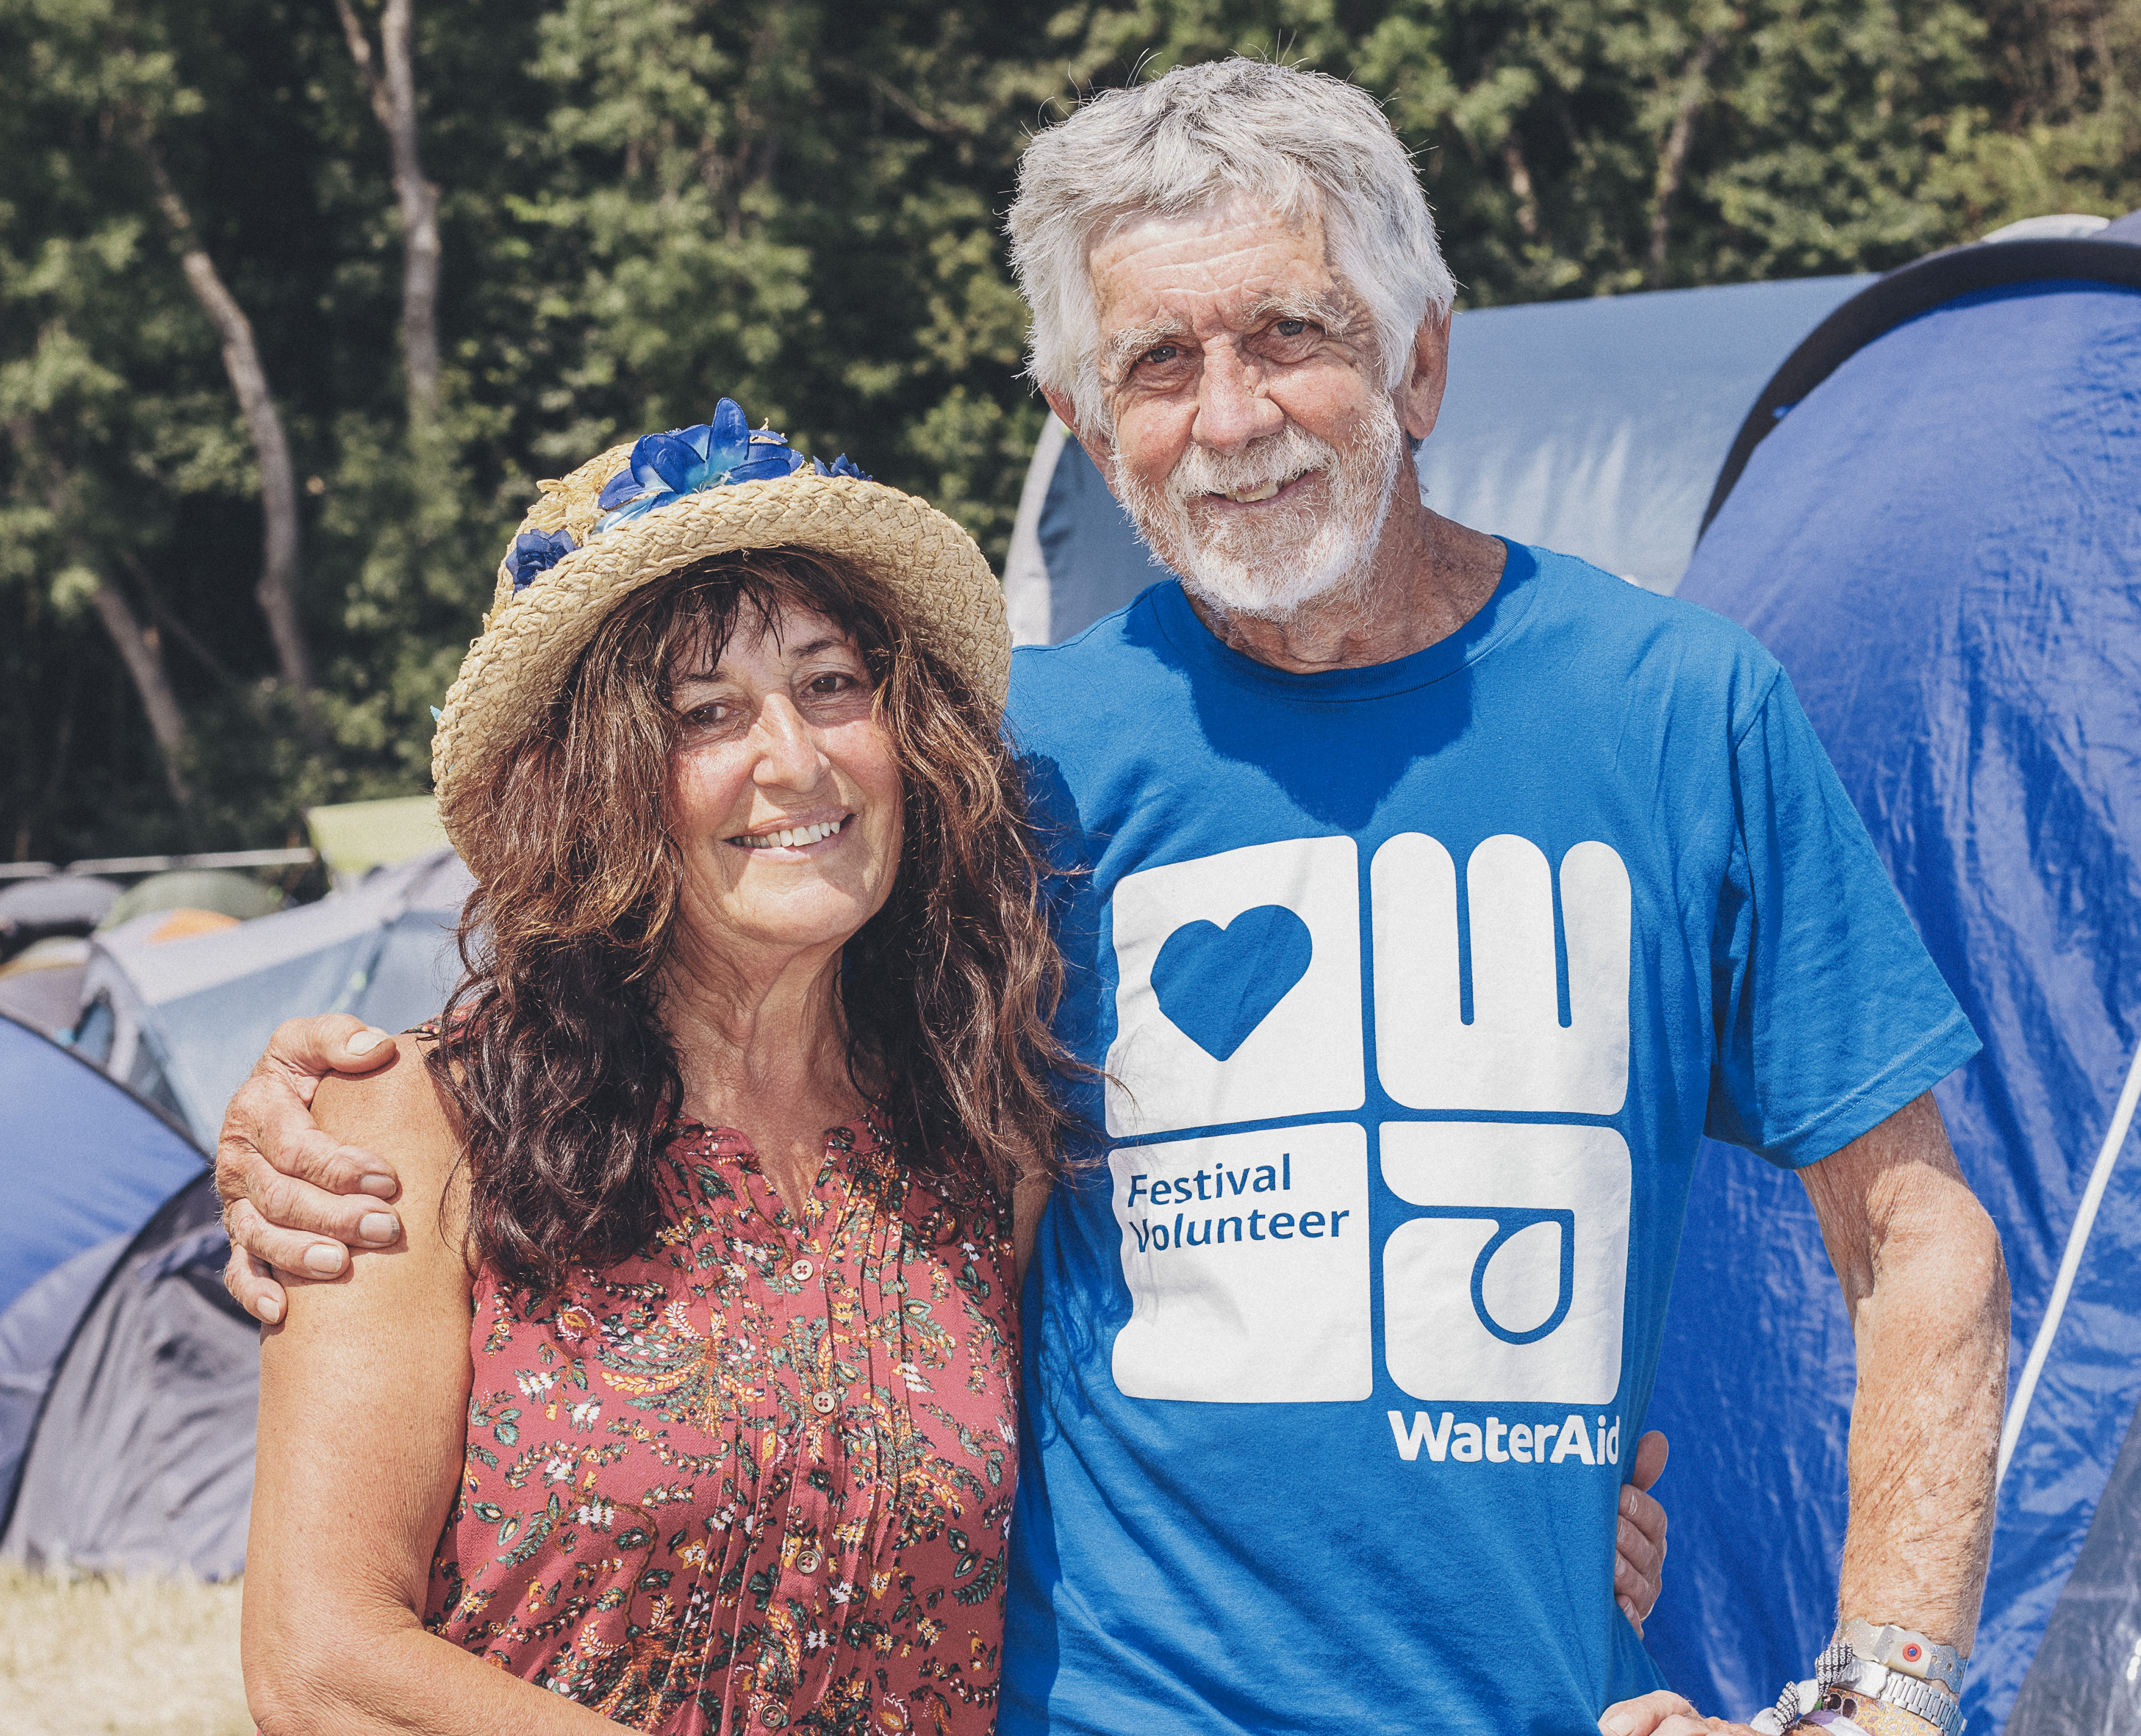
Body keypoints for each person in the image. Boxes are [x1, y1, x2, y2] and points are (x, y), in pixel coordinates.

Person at [221, 60, 1993, 1736]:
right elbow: (665, 1007)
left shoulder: (1679, 711)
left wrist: (1883, 1687)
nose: (1230, 419)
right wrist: (288, 1131)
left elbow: (1918, 1235)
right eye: (1157, 364)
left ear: (1421, 365)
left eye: (1291, 334)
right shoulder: (1012, 766)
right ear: (1082, 420)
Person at [239, 403, 1674, 1736]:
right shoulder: (416, 1128)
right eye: (705, 713)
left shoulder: (987, 1140)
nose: (794, 758)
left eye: (830, 684)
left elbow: (1188, 1430)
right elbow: (316, 1660)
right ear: (594, 781)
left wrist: (1520, 1505)